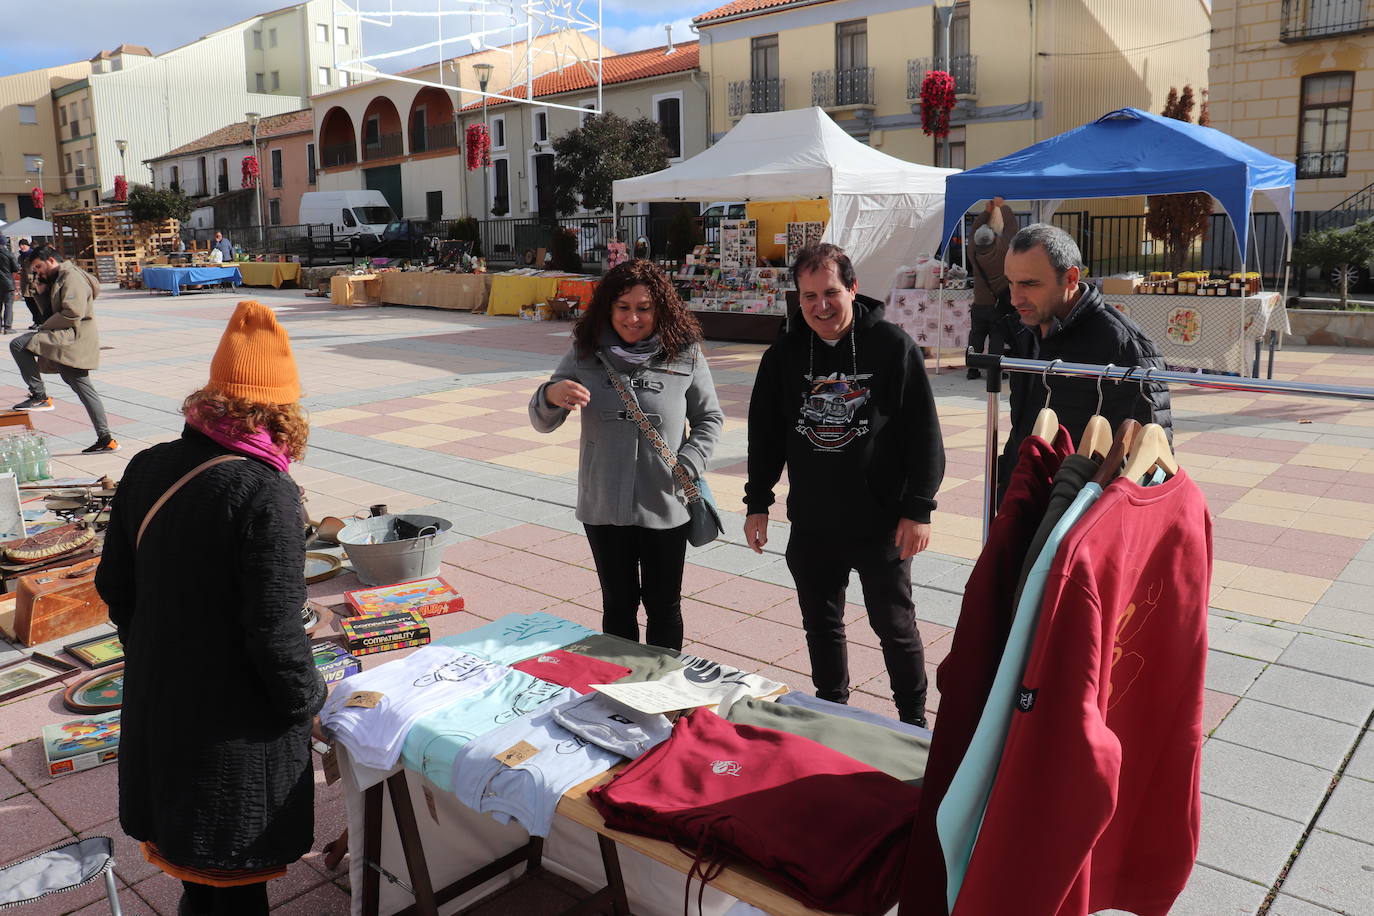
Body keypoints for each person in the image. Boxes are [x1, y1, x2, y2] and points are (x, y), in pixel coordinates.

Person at [95, 300, 325, 916]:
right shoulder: (266, 493)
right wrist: (312, 699)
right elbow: (275, 634)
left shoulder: (147, 466)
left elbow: (115, 587)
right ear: (282, 408)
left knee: (201, 881)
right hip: (232, 732)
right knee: (233, 886)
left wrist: (167, 640)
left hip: (162, 705)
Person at [744, 243, 946, 727]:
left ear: (853, 289)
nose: (821, 306)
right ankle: (831, 710)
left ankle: (913, 721)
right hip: (814, 523)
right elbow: (765, 435)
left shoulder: (893, 347)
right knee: (822, 626)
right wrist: (758, 503)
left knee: (895, 627)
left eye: (831, 292)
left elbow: (924, 435)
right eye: (809, 296)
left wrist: (918, 509)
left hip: (881, 524)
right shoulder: (783, 356)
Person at [529, 259, 723, 651]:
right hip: (603, 504)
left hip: (666, 501)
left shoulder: (684, 354)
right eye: (623, 307)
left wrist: (689, 461)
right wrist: (552, 395)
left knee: (664, 605)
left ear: (660, 309)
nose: (633, 318)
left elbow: (710, 418)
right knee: (618, 603)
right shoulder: (585, 352)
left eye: (644, 308)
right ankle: (620, 686)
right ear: (608, 308)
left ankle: (663, 686)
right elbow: (542, 420)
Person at [998, 223, 1171, 505]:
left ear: (1070, 278)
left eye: (1030, 284)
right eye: (1010, 282)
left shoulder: (1124, 346)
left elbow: (1149, 458)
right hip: (1026, 498)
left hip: (1082, 511)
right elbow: (1024, 425)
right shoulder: (1025, 329)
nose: (1016, 298)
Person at [11, 246, 119, 453]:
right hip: (65, 337)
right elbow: (48, 313)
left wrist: (42, 329)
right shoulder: (58, 277)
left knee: (18, 344)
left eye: (38, 267)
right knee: (83, 388)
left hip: (73, 339)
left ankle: (40, 396)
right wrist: (41, 291)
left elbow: (72, 313)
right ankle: (106, 439)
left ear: (51, 260)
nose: (38, 272)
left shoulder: (72, 277)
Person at [966, 197, 1019, 379]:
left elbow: (973, 230)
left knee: (976, 336)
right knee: (997, 336)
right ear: (994, 238)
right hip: (998, 304)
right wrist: (1002, 206)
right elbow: (1012, 227)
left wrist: (987, 211)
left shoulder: (972, 251)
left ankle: (972, 369)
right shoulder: (1002, 249)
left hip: (979, 302)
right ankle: (994, 370)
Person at [16, 238, 44, 328]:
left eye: (23, 245)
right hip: (25, 282)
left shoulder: (33, 255)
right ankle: (36, 321)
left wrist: (35, 278)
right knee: (29, 303)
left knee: (36, 302)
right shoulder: (21, 257)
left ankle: (40, 322)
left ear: (28, 245)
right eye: (20, 245)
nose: (22, 247)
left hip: (33, 282)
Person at [0, 235, 16, 334]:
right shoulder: (8, 254)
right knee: (8, 305)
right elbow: (16, 268)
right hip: (7, 283)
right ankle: (7, 327)